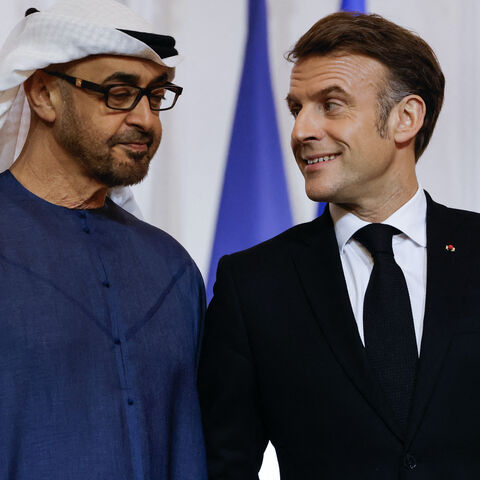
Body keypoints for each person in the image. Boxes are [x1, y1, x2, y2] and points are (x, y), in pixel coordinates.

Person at [198, 12, 480, 479]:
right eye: (296, 108)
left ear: (405, 118)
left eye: (331, 105)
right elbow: (223, 464)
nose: (302, 130)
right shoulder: (253, 284)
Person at [0, 1, 207, 478]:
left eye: (155, 97)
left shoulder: (171, 267)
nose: (146, 120)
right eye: (118, 93)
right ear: (43, 95)